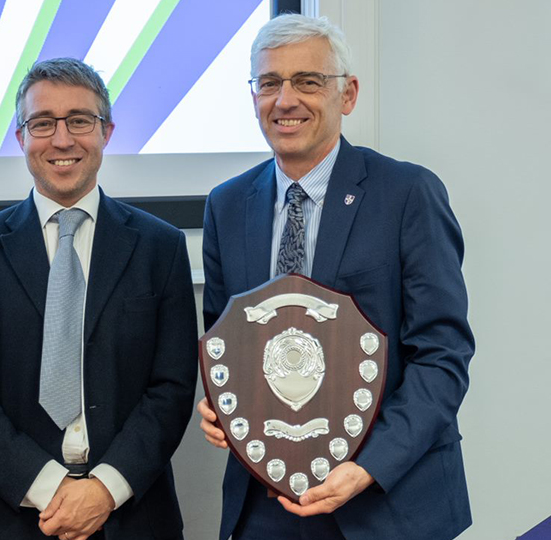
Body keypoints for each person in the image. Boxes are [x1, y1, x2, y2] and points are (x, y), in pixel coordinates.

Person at [196, 14, 474, 540]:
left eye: (308, 81)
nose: (285, 100)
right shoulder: (226, 206)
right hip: (265, 505)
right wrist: (219, 402)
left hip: (388, 503)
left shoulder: (407, 194)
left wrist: (370, 467)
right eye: (270, 83)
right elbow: (224, 340)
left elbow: (442, 354)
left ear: (347, 95)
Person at [0, 58, 197, 540]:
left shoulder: (161, 247)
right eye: (42, 123)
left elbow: (173, 387)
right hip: (9, 514)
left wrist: (104, 489)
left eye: (79, 120)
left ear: (107, 132)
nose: (61, 139)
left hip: (130, 513)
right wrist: (51, 487)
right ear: (20, 138)